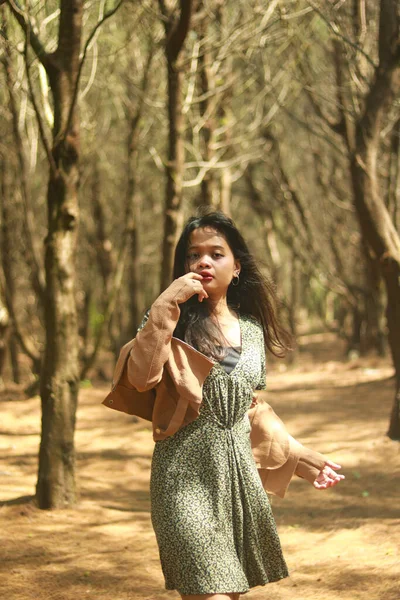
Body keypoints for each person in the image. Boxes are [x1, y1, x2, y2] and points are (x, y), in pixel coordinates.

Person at [103, 210, 344, 600]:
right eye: (192, 255)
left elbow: (250, 408)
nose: (202, 261)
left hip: (237, 478)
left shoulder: (251, 329)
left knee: (228, 593)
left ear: (236, 267)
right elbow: (140, 378)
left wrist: (299, 457)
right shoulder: (166, 321)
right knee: (210, 594)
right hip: (181, 479)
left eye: (216, 253)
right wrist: (166, 304)